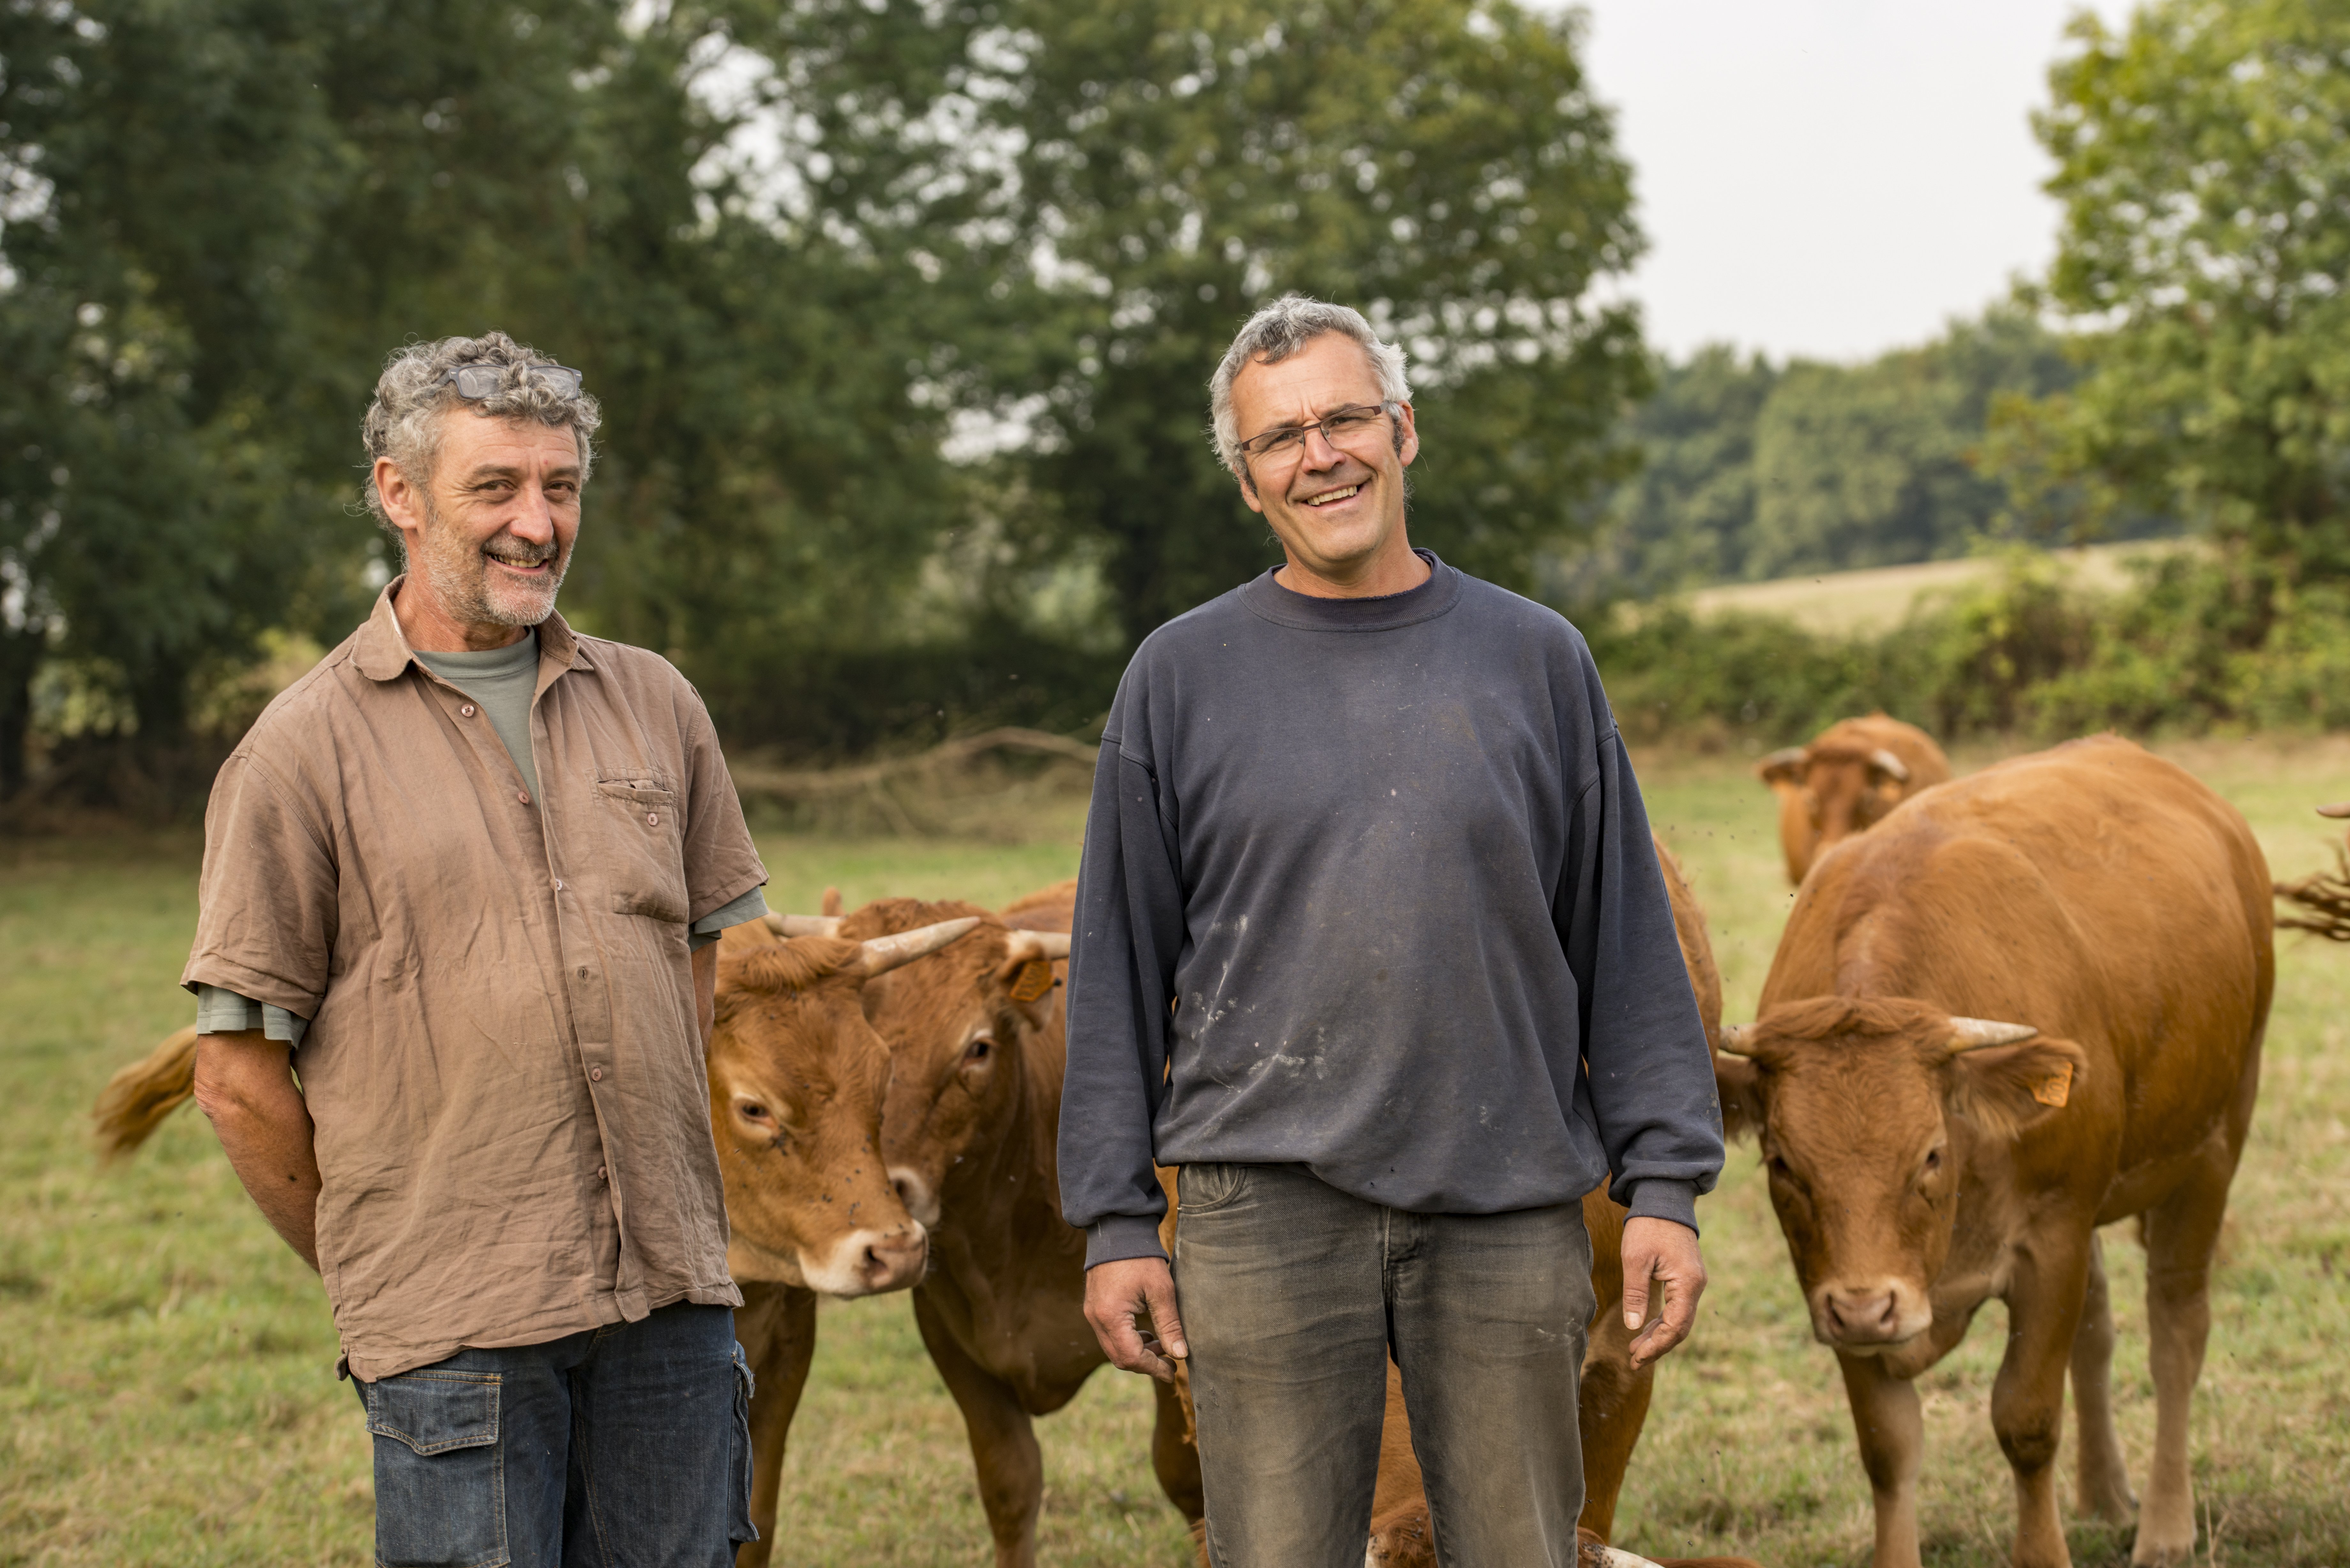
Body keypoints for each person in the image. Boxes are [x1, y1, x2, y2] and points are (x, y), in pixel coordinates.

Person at [1059, 296, 1725, 1567]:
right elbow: (1117, 973)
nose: (1321, 454)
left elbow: (1625, 945)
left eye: (1344, 417)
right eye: (1280, 438)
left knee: (1519, 1550)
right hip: (1259, 1206)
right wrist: (1114, 1222)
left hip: (1508, 1198)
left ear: (1403, 430)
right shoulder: (1179, 677)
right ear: (1248, 480)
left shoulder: (1535, 659)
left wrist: (1664, 1184)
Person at [183, 332, 770, 1567]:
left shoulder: (657, 702)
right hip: (455, 1329)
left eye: (560, 487)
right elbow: (237, 1079)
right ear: (399, 495)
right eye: (495, 487)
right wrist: (382, 1263)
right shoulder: (299, 752)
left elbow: (694, 972)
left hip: (671, 1299)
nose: (538, 523)